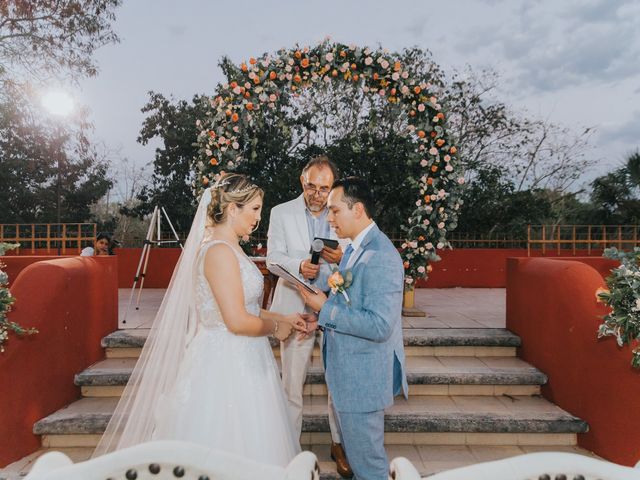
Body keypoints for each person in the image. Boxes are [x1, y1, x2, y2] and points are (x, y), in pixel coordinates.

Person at [93, 174, 306, 467]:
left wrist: (285, 317)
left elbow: (245, 306)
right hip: (225, 363)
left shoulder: (232, 250)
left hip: (247, 358)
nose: (258, 218)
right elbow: (236, 321)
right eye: (254, 209)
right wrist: (275, 327)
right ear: (233, 210)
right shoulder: (219, 252)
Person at [297, 177, 409, 480]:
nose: (329, 218)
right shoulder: (356, 249)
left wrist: (324, 308)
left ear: (357, 209)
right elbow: (350, 307)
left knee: (369, 470)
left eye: (334, 211)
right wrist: (318, 319)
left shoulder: (380, 256)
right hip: (349, 378)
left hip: (362, 381)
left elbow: (380, 325)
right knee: (362, 467)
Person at [266, 156, 352, 477]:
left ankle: (340, 442)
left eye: (324, 188)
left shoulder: (341, 212)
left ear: (333, 187)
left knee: (338, 381)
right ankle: (290, 447)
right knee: (292, 382)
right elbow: (272, 259)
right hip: (295, 307)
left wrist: (341, 257)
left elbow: (355, 257)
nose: (317, 195)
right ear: (302, 182)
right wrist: (300, 265)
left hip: (335, 307)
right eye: (311, 187)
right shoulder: (281, 212)